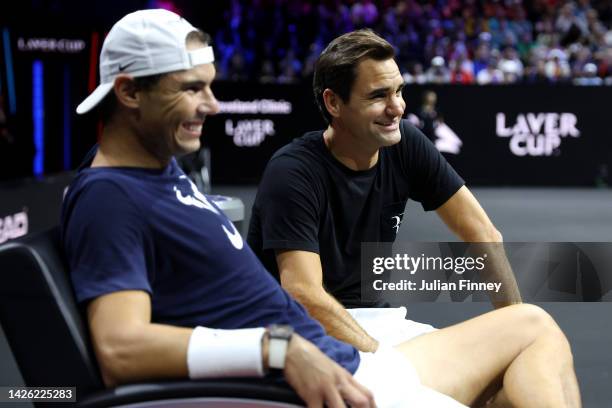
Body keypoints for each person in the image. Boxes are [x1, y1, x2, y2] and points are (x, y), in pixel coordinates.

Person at [62, 10, 581, 407]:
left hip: (340, 357)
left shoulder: (155, 173)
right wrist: (277, 349)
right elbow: (119, 349)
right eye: (191, 89)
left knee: (529, 357)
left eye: (211, 85)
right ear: (129, 92)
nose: (213, 104)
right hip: (330, 380)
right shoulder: (110, 195)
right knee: (532, 331)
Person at [247, 29, 522, 353]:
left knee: (531, 331)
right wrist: (383, 357)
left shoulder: (406, 142)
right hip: (296, 332)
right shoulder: (292, 172)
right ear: (333, 102)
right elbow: (304, 294)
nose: (397, 108)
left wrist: (512, 331)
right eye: (378, 96)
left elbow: (482, 232)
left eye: (399, 91)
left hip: (379, 322)